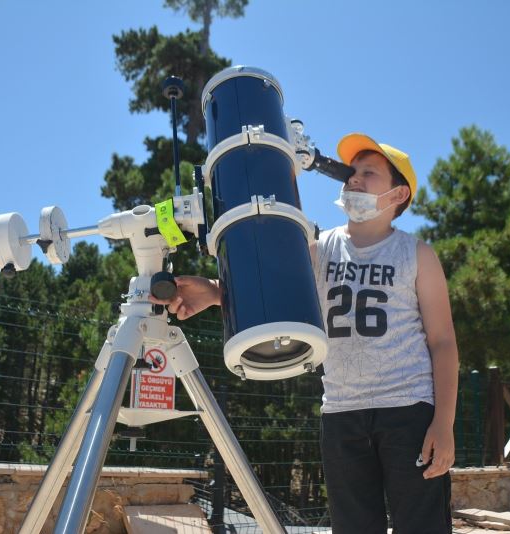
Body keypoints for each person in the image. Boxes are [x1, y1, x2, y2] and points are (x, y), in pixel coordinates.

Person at [152, 133, 458, 534]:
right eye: (352, 172)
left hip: (409, 411)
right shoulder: (318, 248)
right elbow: (273, 297)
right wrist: (213, 292)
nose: (353, 179)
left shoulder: (417, 254)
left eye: (369, 173)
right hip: (341, 413)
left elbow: (443, 342)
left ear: (399, 194)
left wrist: (444, 424)